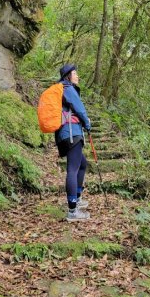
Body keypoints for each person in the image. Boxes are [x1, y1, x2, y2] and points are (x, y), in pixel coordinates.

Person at [55, 63, 92, 222]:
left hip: (65, 133)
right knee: (73, 169)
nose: (77, 76)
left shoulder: (63, 89)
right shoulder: (68, 88)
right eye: (75, 73)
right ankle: (72, 210)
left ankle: (76, 198)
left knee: (82, 164)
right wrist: (88, 124)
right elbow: (80, 109)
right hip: (71, 133)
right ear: (68, 76)